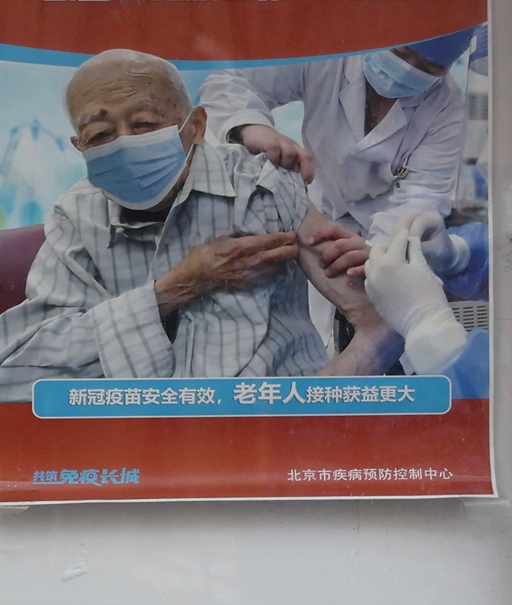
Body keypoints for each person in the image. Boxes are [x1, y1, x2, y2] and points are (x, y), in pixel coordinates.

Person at [0, 49, 433, 402]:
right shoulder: (77, 219)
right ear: (78, 146)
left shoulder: (261, 187)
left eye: (145, 124)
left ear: (196, 126)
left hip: (271, 437)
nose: (125, 144)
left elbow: (382, 324)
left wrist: (310, 407)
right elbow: (16, 372)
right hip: (138, 448)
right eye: (100, 135)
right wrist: (173, 288)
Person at [198, 27, 489, 301]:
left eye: (428, 69)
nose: (408, 69)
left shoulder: (447, 108)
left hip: (389, 228)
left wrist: (379, 252)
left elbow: (423, 196)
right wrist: (250, 126)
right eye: (399, 53)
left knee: (377, 320)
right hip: (314, 208)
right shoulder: (327, 52)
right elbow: (232, 80)